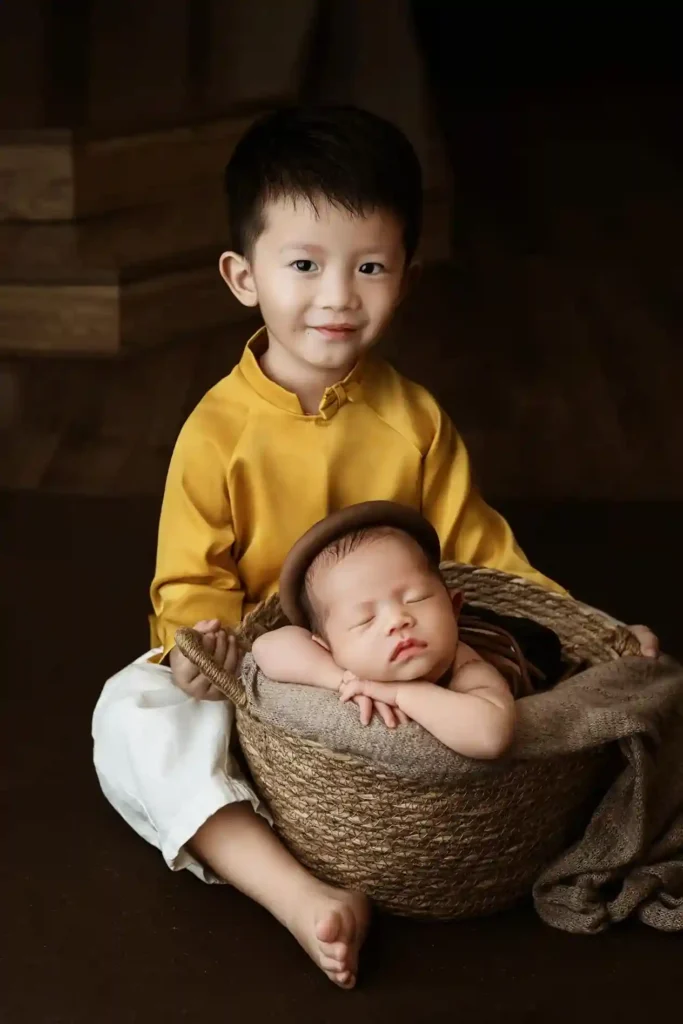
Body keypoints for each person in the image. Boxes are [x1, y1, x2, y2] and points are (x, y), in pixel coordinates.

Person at [92, 106, 658, 990]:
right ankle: (293, 889)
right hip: (270, 665)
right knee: (128, 713)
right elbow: (188, 577)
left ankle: (387, 826)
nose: (336, 296)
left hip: (406, 659)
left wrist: (597, 635)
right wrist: (211, 650)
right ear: (244, 276)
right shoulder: (216, 432)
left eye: (369, 267)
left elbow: (482, 555)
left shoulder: (414, 418)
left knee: (515, 698)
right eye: (304, 265)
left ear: (406, 275)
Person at [253, 505, 516, 757]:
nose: (397, 620)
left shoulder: (466, 666)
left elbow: (490, 737)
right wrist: (341, 679)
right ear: (327, 647)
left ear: (453, 608)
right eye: (364, 619)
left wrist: (399, 694)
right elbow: (264, 647)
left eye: (416, 598)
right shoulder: (339, 665)